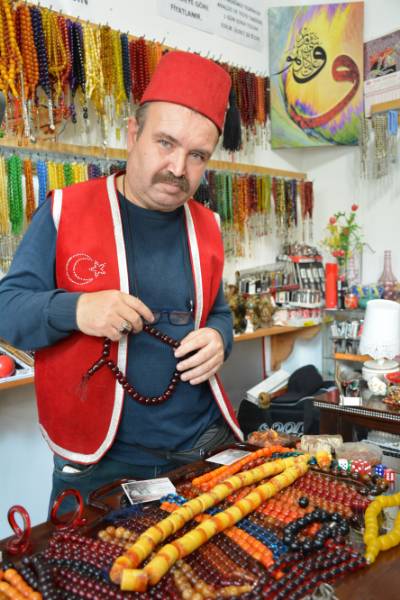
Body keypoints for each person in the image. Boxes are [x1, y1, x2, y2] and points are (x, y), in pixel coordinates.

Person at [0, 50, 244, 510]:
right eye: (165, 143)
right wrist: (77, 309)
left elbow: (219, 312)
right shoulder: (63, 212)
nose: (178, 168)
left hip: (199, 449)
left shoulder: (208, 226)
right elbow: (7, 308)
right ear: (133, 135)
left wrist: (219, 338)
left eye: (197, 155)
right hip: (99, 465)